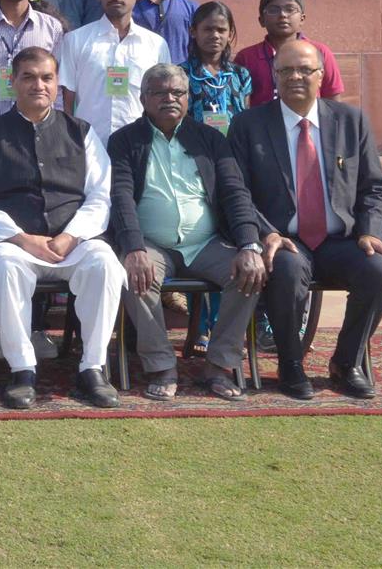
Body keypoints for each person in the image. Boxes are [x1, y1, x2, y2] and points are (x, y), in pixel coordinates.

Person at [228, 40, 382, 400]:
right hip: (285, 239)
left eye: (305, 69)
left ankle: (346, 363)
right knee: (285, 269)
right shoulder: (249, 125)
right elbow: (237, 192)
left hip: (341, 240)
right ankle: (291, 365)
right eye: (285, 70)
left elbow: (374, 187)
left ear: (322, 75)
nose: (295, 77)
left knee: (378, 270)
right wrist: (266, 233)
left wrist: (370, 231)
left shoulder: (351, 121)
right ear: (274, 77)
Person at [0, 47, 125, 409]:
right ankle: (22, 370)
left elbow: (100, 196)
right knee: (5, 267)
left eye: (46, 77)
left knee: (104, 263)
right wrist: (22, 239)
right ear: (12, 82)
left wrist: (71, 236)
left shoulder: (81, 132)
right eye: (28, 77)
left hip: (72, 240)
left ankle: (92, 368)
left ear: (57, 83)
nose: (38, 85)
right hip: (12, 242)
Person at [109, 63, 267, 402]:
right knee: (133, 274)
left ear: (187, 97)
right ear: (143, 98)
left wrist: (249, 244)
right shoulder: (124, 141)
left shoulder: (209, 139)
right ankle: (161, 365)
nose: (169, 98)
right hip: (152, 245)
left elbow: (235, 192)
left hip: (206, 244)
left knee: (250, 272)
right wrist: (133, 248)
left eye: (177, 92)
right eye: (160, 92)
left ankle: (219, 365)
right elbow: (120, 196)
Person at [59, 0, 170, 138]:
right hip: (89, 145)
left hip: (140, 144)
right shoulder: (75, 40)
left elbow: (163, 98)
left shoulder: (156, 45)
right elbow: (66, 100)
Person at [234, 0, 345, 107]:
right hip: (263, 124)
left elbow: (333, 100)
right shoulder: (246, 57)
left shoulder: (319, 52)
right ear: (262, 20)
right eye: (273, 10)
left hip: (308, 124)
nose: (283, 15)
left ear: (302, 19)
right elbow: (238, 102)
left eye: (290, 9)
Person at [181, 1, 252, 133]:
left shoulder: (241, 74)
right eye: (208, 29)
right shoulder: (180, 74)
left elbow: (247, 116)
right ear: (193, 31)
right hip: (195, 149)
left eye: (221, 30)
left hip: (234, 149)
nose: (215, 35)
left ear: (230, 34)